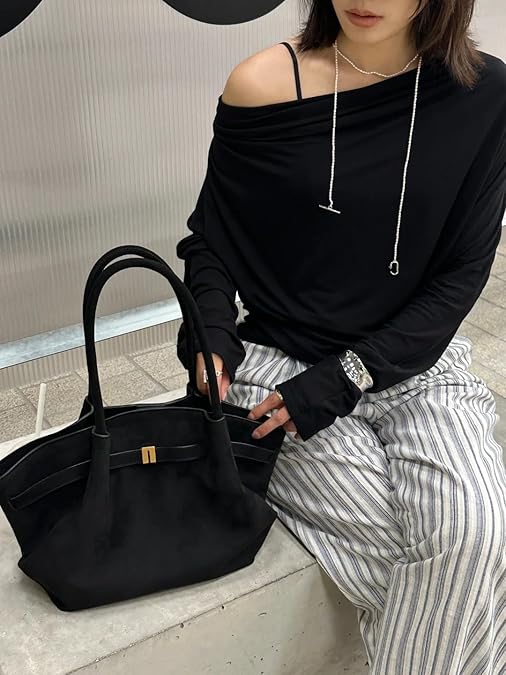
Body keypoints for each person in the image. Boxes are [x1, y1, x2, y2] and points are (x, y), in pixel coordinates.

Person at [176, 1, 506, 672]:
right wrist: (211, 333)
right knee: (447, 565)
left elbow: (461, 274)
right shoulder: (263, 84)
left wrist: (349, 375)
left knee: (475, 533)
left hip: (419, 365)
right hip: (280, 370)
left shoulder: (485, 95)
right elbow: (212, 240)